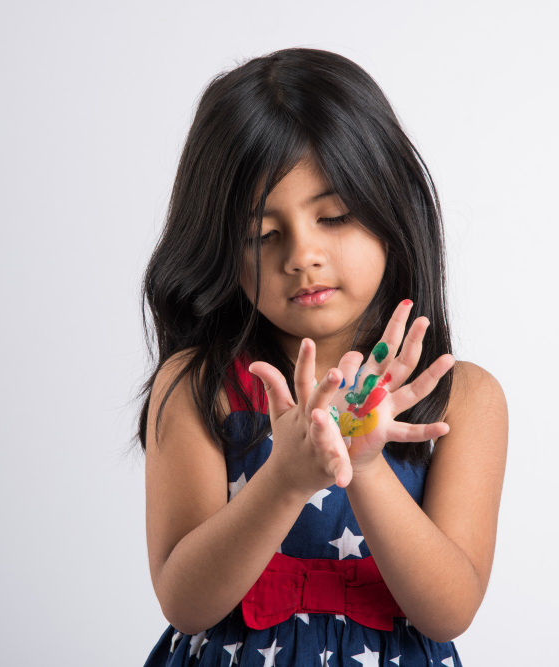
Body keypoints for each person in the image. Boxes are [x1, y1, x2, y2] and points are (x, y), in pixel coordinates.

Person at [136, 47, 508, 667]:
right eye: (263, 234)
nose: (302, 254)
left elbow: (449, 611)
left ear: (393, 211)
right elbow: (185, 602)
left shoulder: (463, 398)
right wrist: (285, 478)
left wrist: (364, 465)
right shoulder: (202, 386)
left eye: (333, 216)